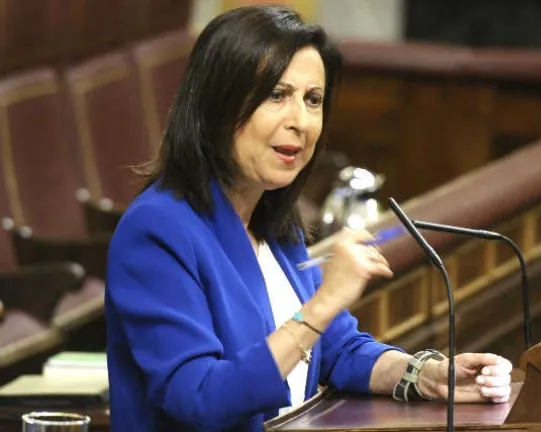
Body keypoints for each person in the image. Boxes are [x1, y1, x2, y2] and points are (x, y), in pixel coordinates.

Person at [105, 5, 513, 431]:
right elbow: (200, 397)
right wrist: (322, 306)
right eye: (277, 95)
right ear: (217, 105)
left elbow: (338, 349)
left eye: (313, 100)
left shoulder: (273, 220)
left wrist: (425, 375)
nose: (300, 122)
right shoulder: (157, 231)